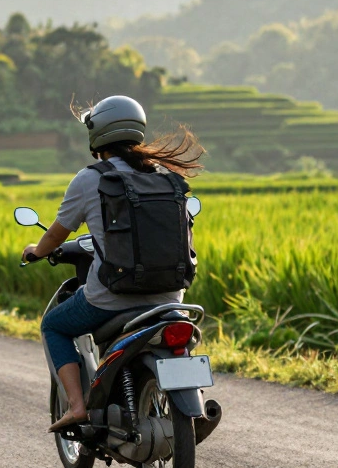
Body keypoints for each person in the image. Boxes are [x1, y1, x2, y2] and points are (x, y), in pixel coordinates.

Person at [21, 95, 204, 432]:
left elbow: (56, 236)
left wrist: (36, 250)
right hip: (170, 297)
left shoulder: (91, 179)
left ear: (98, 134)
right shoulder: (168, 177)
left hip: (111, 297)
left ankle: (77, 406)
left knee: (54, 326)